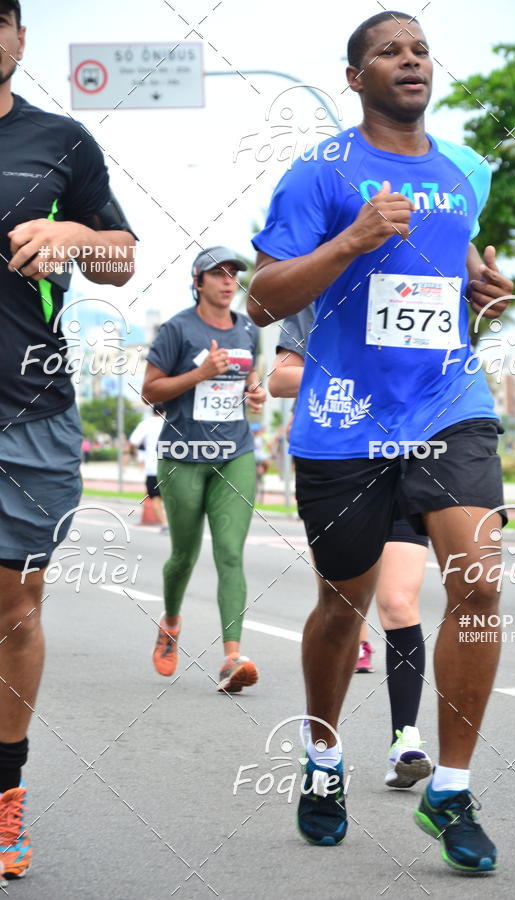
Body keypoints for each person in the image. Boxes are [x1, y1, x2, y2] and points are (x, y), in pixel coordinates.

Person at [249, 11, 515, 871]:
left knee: (476, 582)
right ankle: (323, 760)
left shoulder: (464, 172)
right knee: (342, 605)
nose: (410, 60)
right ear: (355, 77)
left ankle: (450, 790)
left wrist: (481, 292)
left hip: (447, 401)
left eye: (420, 48)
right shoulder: (318, 173)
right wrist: (355, 237)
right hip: (344, 418)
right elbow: (263, 296)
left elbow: (455, 269)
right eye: (388, 52)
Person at [0, 0, 136, 878]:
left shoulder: (62, 140)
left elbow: (123, 254)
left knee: (15, 611)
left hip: (30, 408)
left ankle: (3, 798)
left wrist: (74, 234)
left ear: (18, 35)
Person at [269, 303, 432, 789]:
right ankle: (322, 741)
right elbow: (279, 379)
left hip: (406, 452)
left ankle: (405, 738)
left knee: (400, 601)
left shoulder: (413, 279)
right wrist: (354, 375)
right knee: (343, 610)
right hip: (336, 457)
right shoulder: (319, 284)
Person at [142, 247, 266, 692]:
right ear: (198, 282)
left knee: (230, 553)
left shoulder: (249, 330)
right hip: (182, 456)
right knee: (184, 556)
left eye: (234, 273)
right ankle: (171, 621)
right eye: (218, 274)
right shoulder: (178, 329)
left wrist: (254, 395)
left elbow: (251, 381)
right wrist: (199, 374)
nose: (228, 280)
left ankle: (232, 658)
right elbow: (150, 392)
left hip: (235, 453)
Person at [129, 404, 168, 531]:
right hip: (170, 466)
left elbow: (133, 443)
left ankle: (164, 525)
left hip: (153, 468)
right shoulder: (169, 423)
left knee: (155, 497)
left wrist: (134, 455)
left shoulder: (145, 424)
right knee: (172, 497)